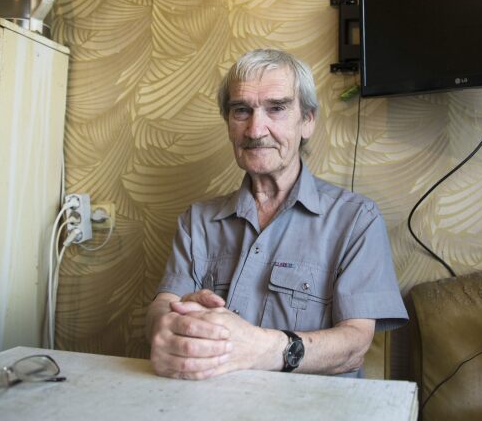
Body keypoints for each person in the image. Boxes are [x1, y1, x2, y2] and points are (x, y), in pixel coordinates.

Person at [146, 49, 407, 380]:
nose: (255, 130)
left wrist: (262, 348)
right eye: (241, 110)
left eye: (277, 108)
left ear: (307, 120)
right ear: (228, 123)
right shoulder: (196, 221)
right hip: (211, 399)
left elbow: (354, 345)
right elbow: (163, 305)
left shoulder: (357, 220)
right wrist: (166, 327)